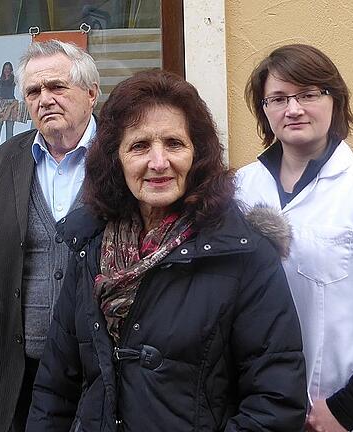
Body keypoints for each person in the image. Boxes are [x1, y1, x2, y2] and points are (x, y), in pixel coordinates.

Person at [27, 69, 307, 431]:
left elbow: (275, 402)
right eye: (140, 146)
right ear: (116, 158)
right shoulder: (91, 245)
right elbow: (55, 388)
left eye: (174, 143)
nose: (158, 162)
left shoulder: (243, 253)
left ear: (198, 154)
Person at [236, 44, 353, 432]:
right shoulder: (240, 188)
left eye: (308, 94)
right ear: (264, 109)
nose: (293, 109)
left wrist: (348, 407)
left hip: (340, 413)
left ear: (334, 99)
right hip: (257, 409)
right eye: (278, 98)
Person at [0, 39, 100, 432]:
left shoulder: (123, 156)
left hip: (101, 371)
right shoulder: (4, 161)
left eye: (57, 87)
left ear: (90, 93)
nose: (45, 99)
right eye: (34, 91)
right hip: (20, 373)